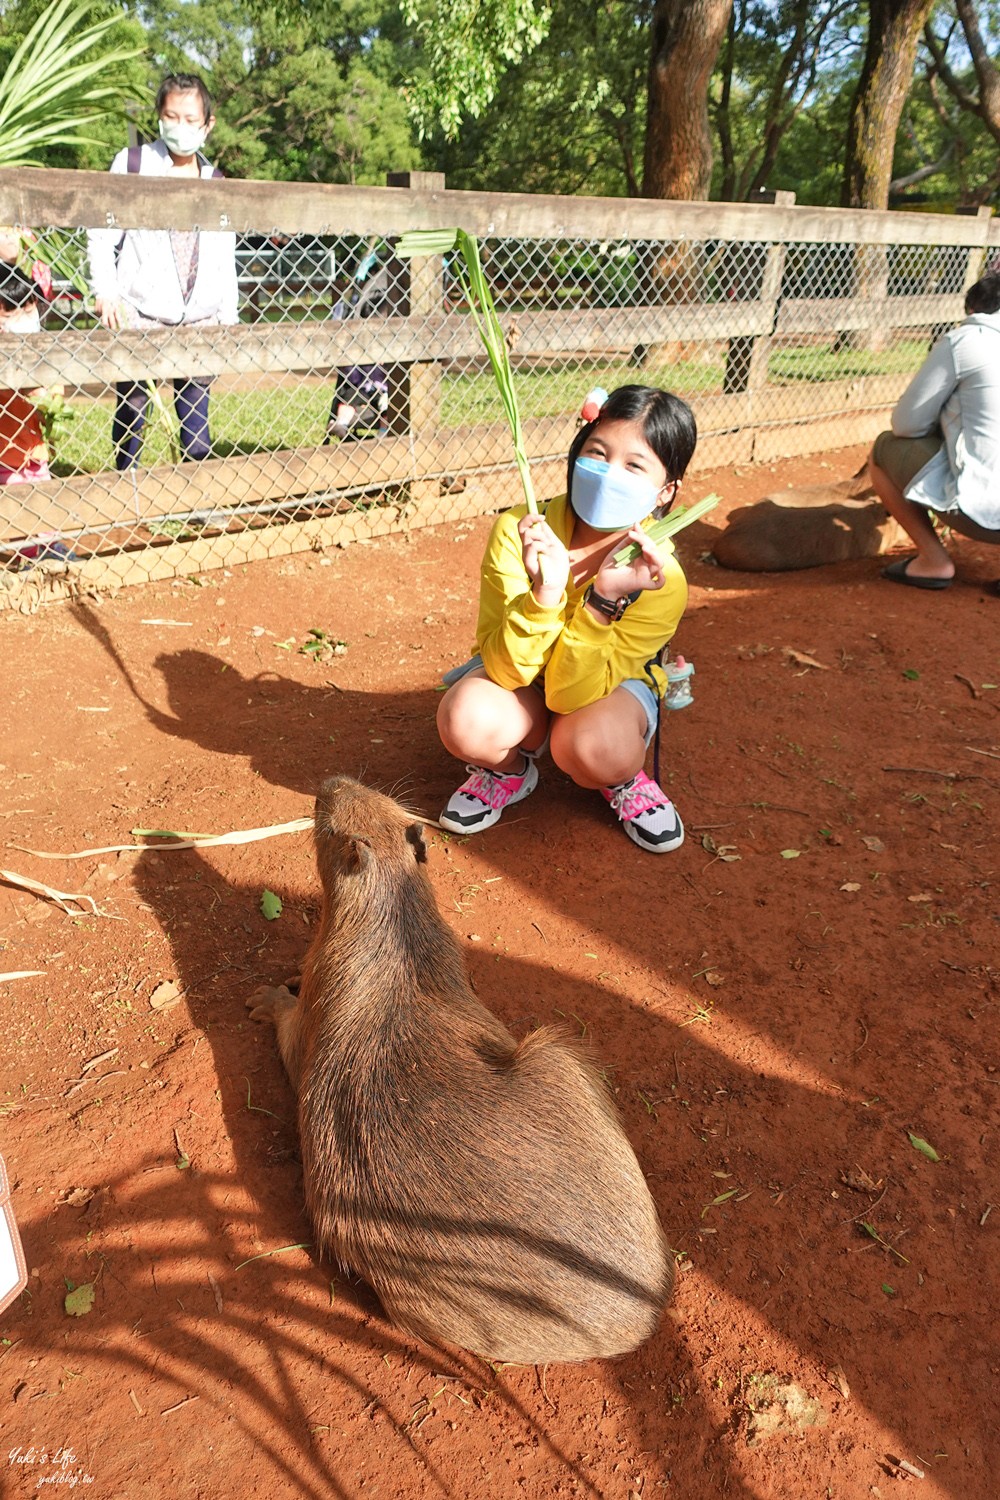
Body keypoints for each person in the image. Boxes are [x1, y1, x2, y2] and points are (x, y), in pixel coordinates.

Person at [437, 384, 696, 854]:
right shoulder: (519, 533)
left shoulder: (662, 579)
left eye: (634, 465)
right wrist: (545, 594)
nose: (607, 473)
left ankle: (619, 779)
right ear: (577, 454)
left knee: (598, 745)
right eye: (597, 453)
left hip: (599, 695)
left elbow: (569, 695)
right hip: (523, 681)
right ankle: (510, 770)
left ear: (666, 490)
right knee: (466, 719)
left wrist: (600, 603)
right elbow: (505, 670)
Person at [86, 74, 238, 470]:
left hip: (199, 315)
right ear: (158, 118)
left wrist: (228, 317)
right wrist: (106, 289)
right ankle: (128, 481)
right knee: (134, 406)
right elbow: (102, 232)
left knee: (195, 412)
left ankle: (195, 492)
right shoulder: (133, 165)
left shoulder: (215, 181)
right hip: (142, 310)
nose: (180, 128)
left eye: (191, 119)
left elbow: (225, 256)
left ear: (208, 124)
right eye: (171, 117)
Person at [869, 270, 1000, 590]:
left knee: (884, 448)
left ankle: (933, 561)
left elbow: (907, 425)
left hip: (983, 516)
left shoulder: (967, 340)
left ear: (972, 310)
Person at [0, 228, 53, 486]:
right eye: (10, 314)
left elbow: (53, 398)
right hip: (4, 459)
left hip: (36, 458)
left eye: (28, 308)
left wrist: (47, 399)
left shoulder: (42, 355)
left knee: (47, 520)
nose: (23, 318)